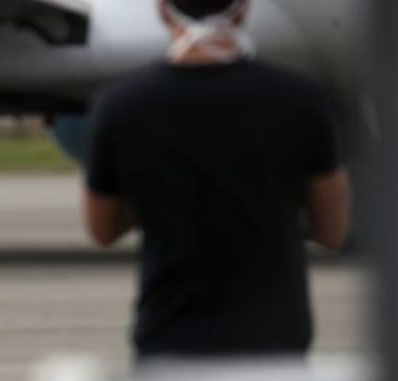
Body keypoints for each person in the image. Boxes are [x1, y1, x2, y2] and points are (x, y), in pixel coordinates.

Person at [83, 0, 350, 359]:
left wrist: (159, 196)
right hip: (274, 338)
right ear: (244, 9)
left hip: (171, 333)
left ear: (162, 9)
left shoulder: (121, 104)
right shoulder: (301, 98)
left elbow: (102, 230)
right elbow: (332, 231)